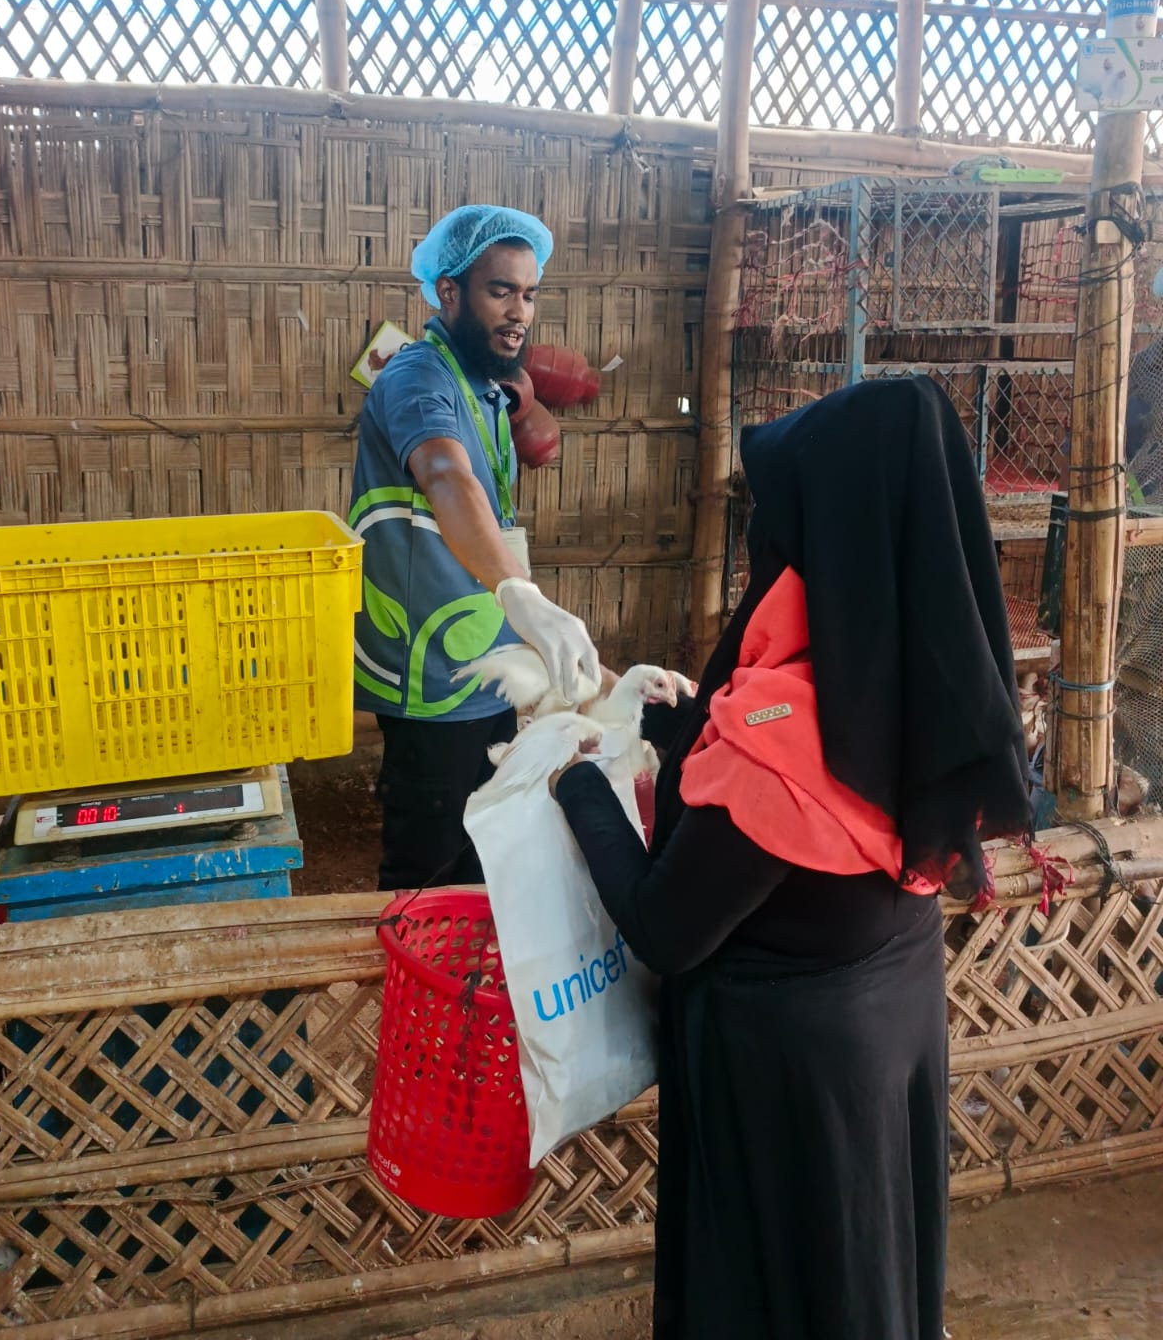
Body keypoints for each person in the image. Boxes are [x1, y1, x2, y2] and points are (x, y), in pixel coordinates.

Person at [550, 377, 1031, 1340]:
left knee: (784, 1296)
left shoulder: (779, 744)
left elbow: (666, 929)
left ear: (821, 535)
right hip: (886, 1034)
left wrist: (578, 789)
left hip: (787, 1091)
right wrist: (686, 724)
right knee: (862, 1278)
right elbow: (827, 789)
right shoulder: (922, 694)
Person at [350, 204, 599, 890]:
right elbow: (445, 475)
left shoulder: (486, 389)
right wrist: (521, 594)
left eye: (529, 294)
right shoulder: (417, 377)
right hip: (430, 674)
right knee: (427, 870)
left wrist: (520, 618)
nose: (519, 312)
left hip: (483, 655)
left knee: (479, 852)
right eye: (500, 291)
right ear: (450, 292)